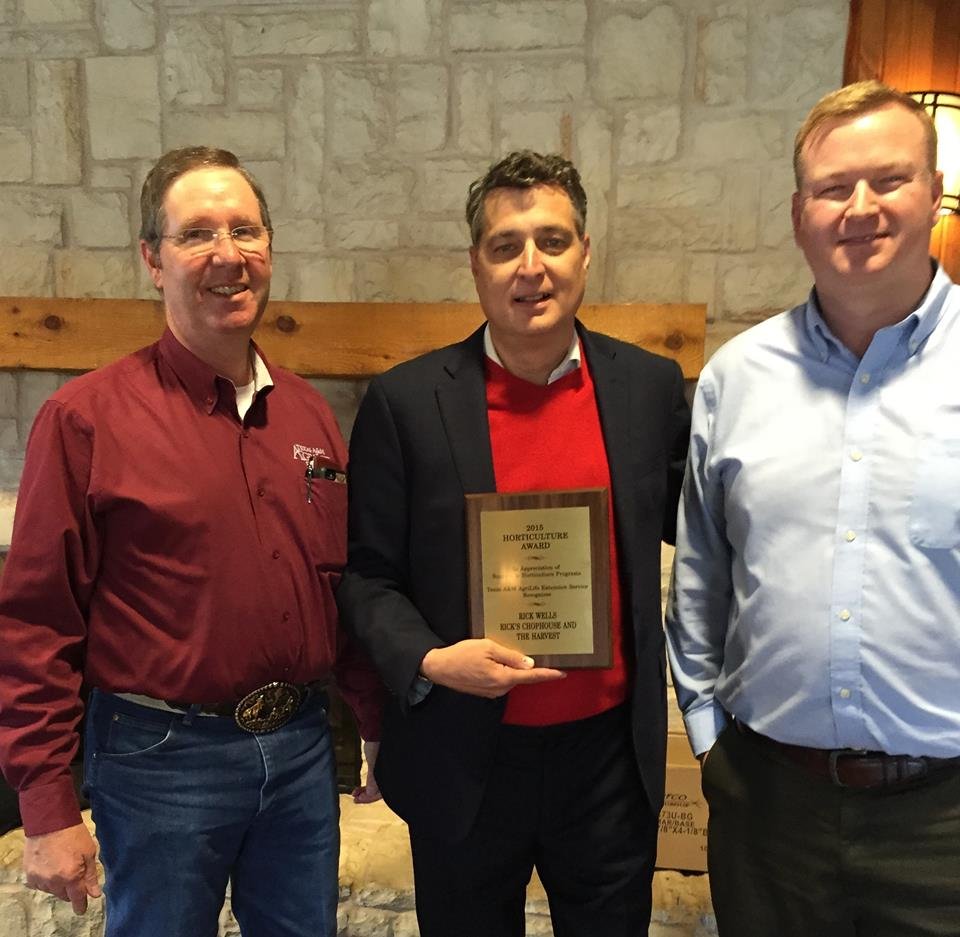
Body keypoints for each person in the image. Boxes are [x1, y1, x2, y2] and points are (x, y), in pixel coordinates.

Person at [0, 146, 383, 937]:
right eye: (197, 234)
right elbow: (37, 620)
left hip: (303, 749)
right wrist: (45, 804)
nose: (227, 256)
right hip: (159, 757)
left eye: (245, 231)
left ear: (270, 249)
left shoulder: (310, 416)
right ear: (152, 259)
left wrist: (374, 720)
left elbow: (335, 585)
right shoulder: (84, 420)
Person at [338, 150, 690, 937]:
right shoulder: (405, 402)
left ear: (586, 252)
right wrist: (430, 660)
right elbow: (366, 576)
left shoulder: (648, 389)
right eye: (506, 246)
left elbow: (701, 530)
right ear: (476, 265)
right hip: (464, 759)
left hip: (605, 766)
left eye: (553, 241)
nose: (531, 266)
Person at [665, 80, 960, 936]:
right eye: (834, 188)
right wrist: (709, 740)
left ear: (932, 194)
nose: (859, 208)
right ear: (800, 213)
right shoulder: (737, 378)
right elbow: (700, 583)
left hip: (944, 825)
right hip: (770, 811)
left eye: (888, 180)